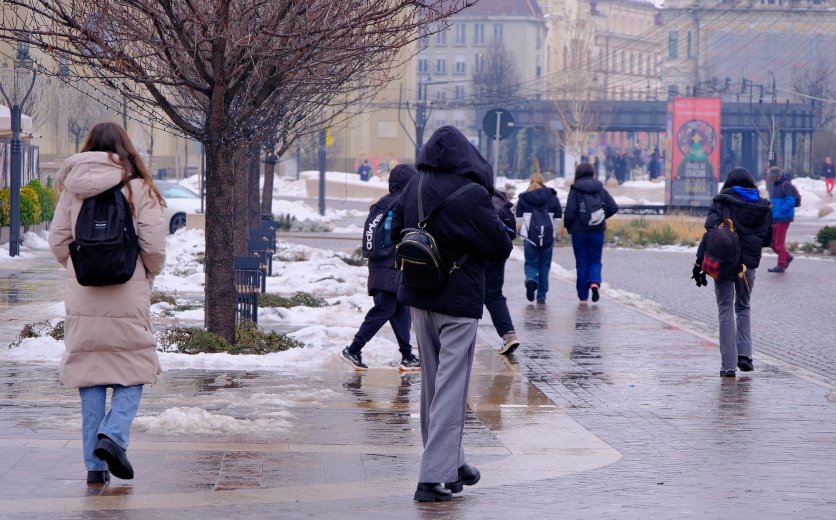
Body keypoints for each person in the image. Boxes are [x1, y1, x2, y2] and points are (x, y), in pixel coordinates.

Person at [391, 125, 512, 502]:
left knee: (433, 383)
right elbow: (499, 246)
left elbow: (397, 230)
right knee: (451, 386)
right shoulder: (473, 194)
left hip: (418, 294)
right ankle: (431, 477)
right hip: (458, 302)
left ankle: (451, 463)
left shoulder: (415, 185)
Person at [47, 121, 167, 484]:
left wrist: (81, 264)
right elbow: (155, 246)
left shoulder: (72, 190)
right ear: (124, 148)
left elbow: (57, 240)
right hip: (127, 289)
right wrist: (144, 271)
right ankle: (113, 435)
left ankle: (95, 468)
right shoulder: (137, 188)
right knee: (135, 367)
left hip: (84, 291)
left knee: (91, 373)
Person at [692, 167, 772, 377]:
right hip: (748, 267)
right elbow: (768, 239)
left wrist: (699, 262)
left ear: (728, 183)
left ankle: (728, 366)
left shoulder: (721, 202)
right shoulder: (762, 206)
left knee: (725, 309)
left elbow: (710, 233)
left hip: (724, 263)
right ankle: (745, 356)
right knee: (743, 307)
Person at [340, 164, 420, 371]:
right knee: (384, 308)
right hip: (391, 264)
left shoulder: (383, 203)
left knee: (400, 309)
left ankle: (407, 356)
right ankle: (353, 349)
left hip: (381, 264)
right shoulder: (402, 203)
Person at [563, 163, 619, 303]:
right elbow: (613, 207)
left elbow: (570, 211)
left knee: (582, 263)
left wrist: (568, 226)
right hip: (597, 231)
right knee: (594, 261)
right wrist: (599, 218)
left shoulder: (575, 189)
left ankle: (583, 297)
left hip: (579, 232)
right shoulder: (600, 189)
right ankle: (594, 282)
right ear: (592, 173)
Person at [516, 173, 562, 304]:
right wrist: (554, 231)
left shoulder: (524, 198)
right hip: (547, 238)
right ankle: (541, 296)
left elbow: (518, 219)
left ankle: (531, 280)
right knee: (544, 266)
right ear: (543, 182)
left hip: (530, 237)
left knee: (531, 263)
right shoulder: (552, 197)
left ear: (530, 182)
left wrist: (523, 230)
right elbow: (558, 219)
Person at [485, 189, 520, 355]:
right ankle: (509, 335)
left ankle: (462, 339)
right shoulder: (499, 197)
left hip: (478, 253)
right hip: (499, 251)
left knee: (469, 292)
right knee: (494, 294)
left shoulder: (472, 194)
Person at [767, 166, 801, 273]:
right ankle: (787, 256)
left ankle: (781, 265)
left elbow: (790, 201)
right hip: (776, 218)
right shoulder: (776, 186)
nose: (771, 178)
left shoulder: (786, 186)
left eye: (773, 176)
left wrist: (780, 212)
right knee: (772, 242)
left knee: (778, 243)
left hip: (783, 218)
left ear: (778, 175)